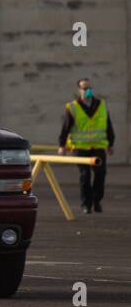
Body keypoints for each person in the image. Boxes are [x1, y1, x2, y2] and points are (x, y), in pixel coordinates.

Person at [58, 77, 114, 214]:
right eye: (84, 88)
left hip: (98, 147)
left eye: (89, 88)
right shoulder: (73, 107)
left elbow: (108, 125)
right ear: (79, 90)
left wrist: (110, 143)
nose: (87, 90)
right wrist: (62, 145)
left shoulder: (101, 105)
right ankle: (86, 204)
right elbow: (66, 127)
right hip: (80, 147)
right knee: (85, 176)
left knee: (100, 174)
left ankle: (96, 200)